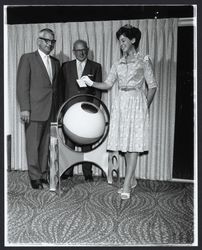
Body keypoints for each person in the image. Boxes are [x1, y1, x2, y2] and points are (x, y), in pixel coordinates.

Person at [81, 24, 158, 199]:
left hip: (137, 103)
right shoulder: (117, 63)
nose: (121, 44)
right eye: (119, 41)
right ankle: (131, 179)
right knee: (125, 144)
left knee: (133, 146)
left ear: (133, 40)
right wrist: (90, 83)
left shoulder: (143, 60)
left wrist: (145, 106)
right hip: (121, 104)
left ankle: (126, 184)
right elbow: (107, 84)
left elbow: (152, 86)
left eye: (123, 40)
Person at [17, 28, 60, 189]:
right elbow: (22, 85)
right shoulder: (27, 58)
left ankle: (42, 174)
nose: (50, 44)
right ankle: (34, 177)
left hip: (51, 111)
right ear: (39, 41)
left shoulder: (56, 62)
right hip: (33, 111)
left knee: (45, 146)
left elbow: (55, 88)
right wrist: (24, 108)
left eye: (53, 41)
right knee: (33, 145)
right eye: (47, 40)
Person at [59, 39, 102, 182]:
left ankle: (87, 172)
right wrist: (62, 111)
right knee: (69, 142)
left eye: (83, 50)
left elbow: (97, 91)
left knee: (87, 143)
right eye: (78, 50)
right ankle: (68, 170)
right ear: (74, 51)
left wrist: (94, 110)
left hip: (87, 113)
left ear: (87, 50)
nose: (81, 53)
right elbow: (61, 89)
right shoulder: (65, 66)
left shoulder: (95, 67)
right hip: (70, 111)